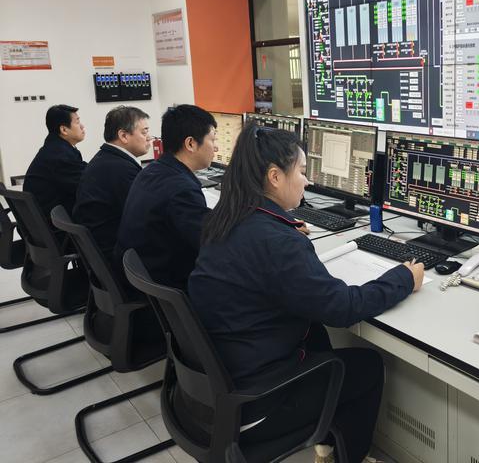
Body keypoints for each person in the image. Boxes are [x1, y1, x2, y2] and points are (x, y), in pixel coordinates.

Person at [188, 125, 424, 463]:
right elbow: (343, 308)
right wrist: (403, 278)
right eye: (301, 171)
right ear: (274, 177)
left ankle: (327, 446)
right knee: (368, 365)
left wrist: (284, 231)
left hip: (220, 386)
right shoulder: (277, 243)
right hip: (256, 404)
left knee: (315, 333)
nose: (307, 181)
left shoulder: (226, 219)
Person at [116, 105, 216, 290]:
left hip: (141, 277)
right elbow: (211, 244)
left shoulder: (153, 170)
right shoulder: (181, 189)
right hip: (168, 286)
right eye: (213, 140)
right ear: (191, 144)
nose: (216, 147)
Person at [73, 106, 151, 269]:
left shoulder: (106, 159)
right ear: (123, 136)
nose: (149, 138)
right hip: (117, 259)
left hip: (100, 254)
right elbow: (146, 218)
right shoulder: (120, 170)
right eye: (144, 132)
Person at [24, 104, 87, 217]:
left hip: (44, 218)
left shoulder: (54, 148)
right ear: (64, 130)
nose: (82, 126)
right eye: (77, 122)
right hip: (56, 221)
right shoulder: (60, 156)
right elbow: (87, 184)